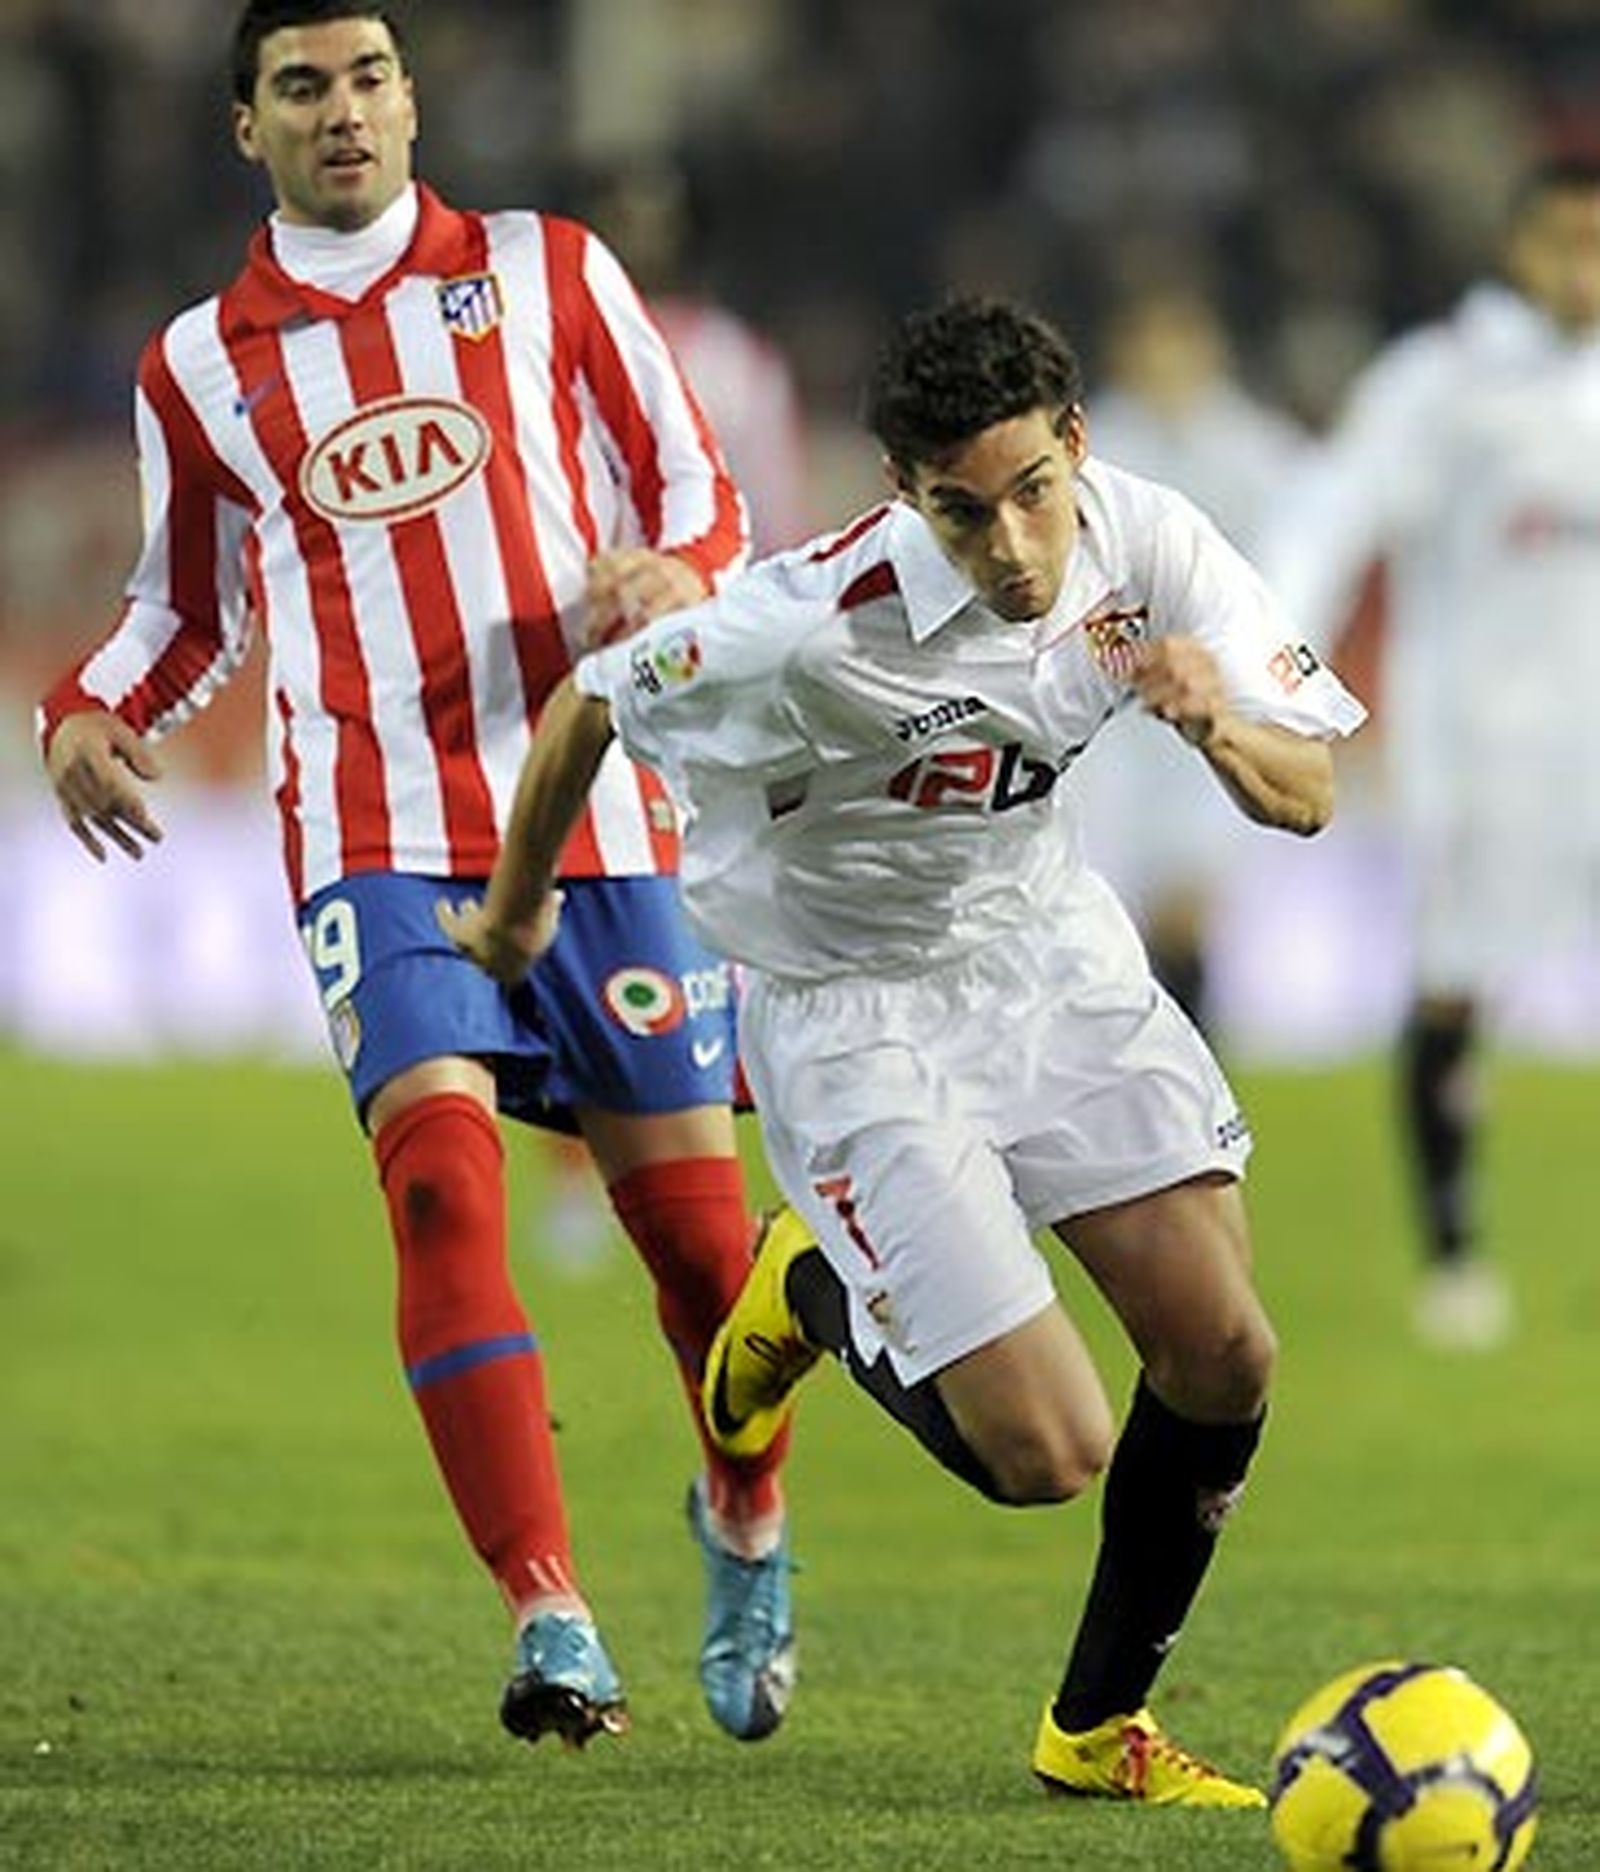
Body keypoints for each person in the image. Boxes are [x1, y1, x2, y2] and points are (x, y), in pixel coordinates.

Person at [442, 295, 1366, 1804]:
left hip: (1045, 955)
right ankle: (800, 1283)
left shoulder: (1151, 543)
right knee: (1044, 1453)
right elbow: (586, 708)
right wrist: (515, 911)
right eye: (959, 513)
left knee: (1224, 1350)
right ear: (899, 493)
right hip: (853, 1012)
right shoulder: (800, 620)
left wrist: (1213, 728)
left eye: (1030, 495)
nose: (1009, 548)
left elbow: (1309, 791)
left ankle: (1096, 1732)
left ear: (1076, 445)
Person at [37, 0, 797, 1751]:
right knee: (444, 1187)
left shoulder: (548, 269)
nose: (344, 111)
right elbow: (190, 606)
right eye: (301, 86)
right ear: (250, 127)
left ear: (409, 95)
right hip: (373, 822)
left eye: (368, 76)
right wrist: (87, 704)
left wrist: (677, 577)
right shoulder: (203, 362)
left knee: (696, 1246)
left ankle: (746, 1512)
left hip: (598, 798)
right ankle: (552, 1615)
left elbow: (699, 487)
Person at [1260, 156, 1600, 1351]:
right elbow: (1326, 517)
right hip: (1483, 746)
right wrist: (1278, 670)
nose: (1585, 270)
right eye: (1567, 243)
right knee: (1457, 982)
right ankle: (1454, 1253)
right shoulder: (1439, 383)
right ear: (1517, 245)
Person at [1074, 282, 1308, 1031]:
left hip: (1213, 708)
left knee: (1188, 909)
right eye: (1150, 344)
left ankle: (1194, 1077)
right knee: (1117, 918)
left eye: (1180, 342)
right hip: (1107, 721)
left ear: (1211, 350)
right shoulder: (1091, 450)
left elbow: (1295, 574)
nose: (1166, 361)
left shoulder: (1258, 453)